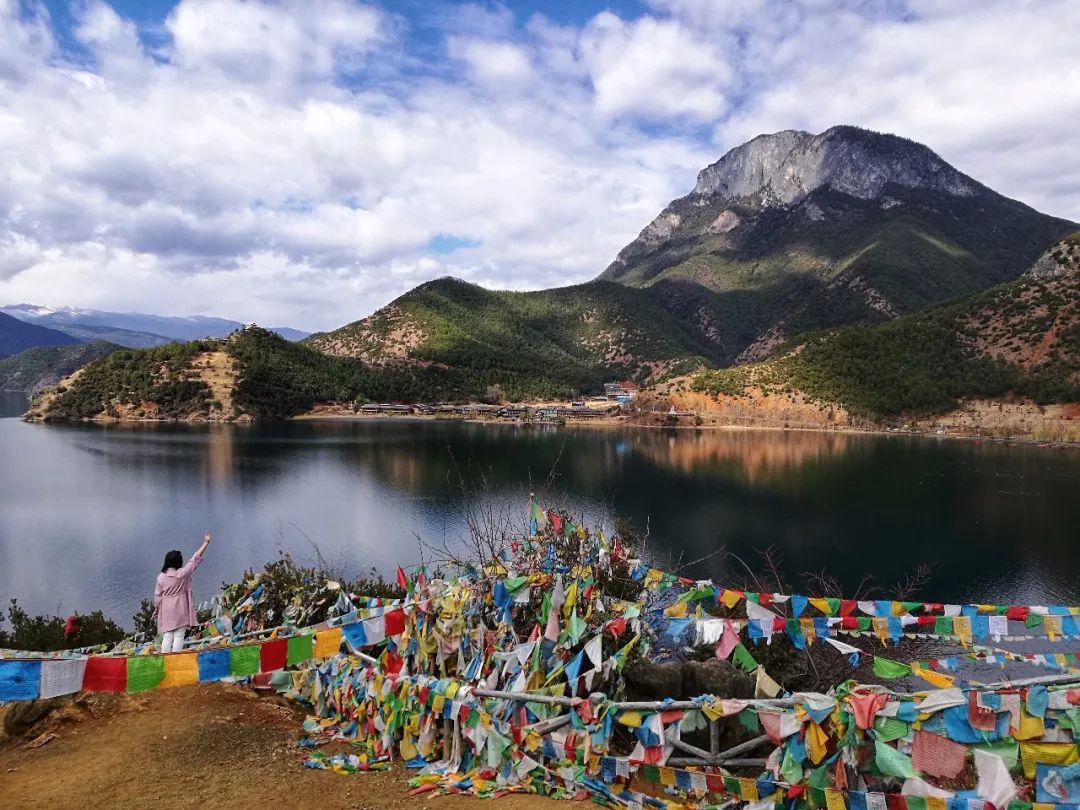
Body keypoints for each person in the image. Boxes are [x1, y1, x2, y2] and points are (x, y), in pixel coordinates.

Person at [154, 532, 212, 653]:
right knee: (179, 636)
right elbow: (194, 560)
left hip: (166, 610)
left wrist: (156, 609)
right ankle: (176, 659)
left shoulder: (160, 577)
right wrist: (206, 543)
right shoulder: (182, 574)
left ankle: (165, 659)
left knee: (167, 635)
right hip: (180, 608)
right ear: (178, 562)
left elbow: (157, 597)